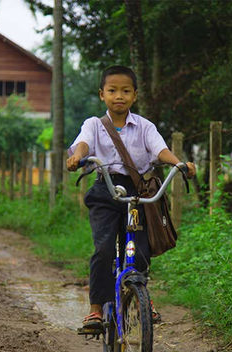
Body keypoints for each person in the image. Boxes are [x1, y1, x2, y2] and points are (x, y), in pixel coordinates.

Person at [66, 65, 196, 330]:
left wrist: (178, 164)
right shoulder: (94, 124)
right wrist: (78, 156)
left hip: (138, 194)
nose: (119, 96)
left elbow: (160, 150)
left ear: (134, 95)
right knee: (103, 249)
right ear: (102, 94)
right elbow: (84, 143)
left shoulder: (145, 126)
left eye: (125, 91)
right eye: (113, 90)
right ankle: (95, 309)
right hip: (105, 190)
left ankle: (140, 299)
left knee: (140, 250)